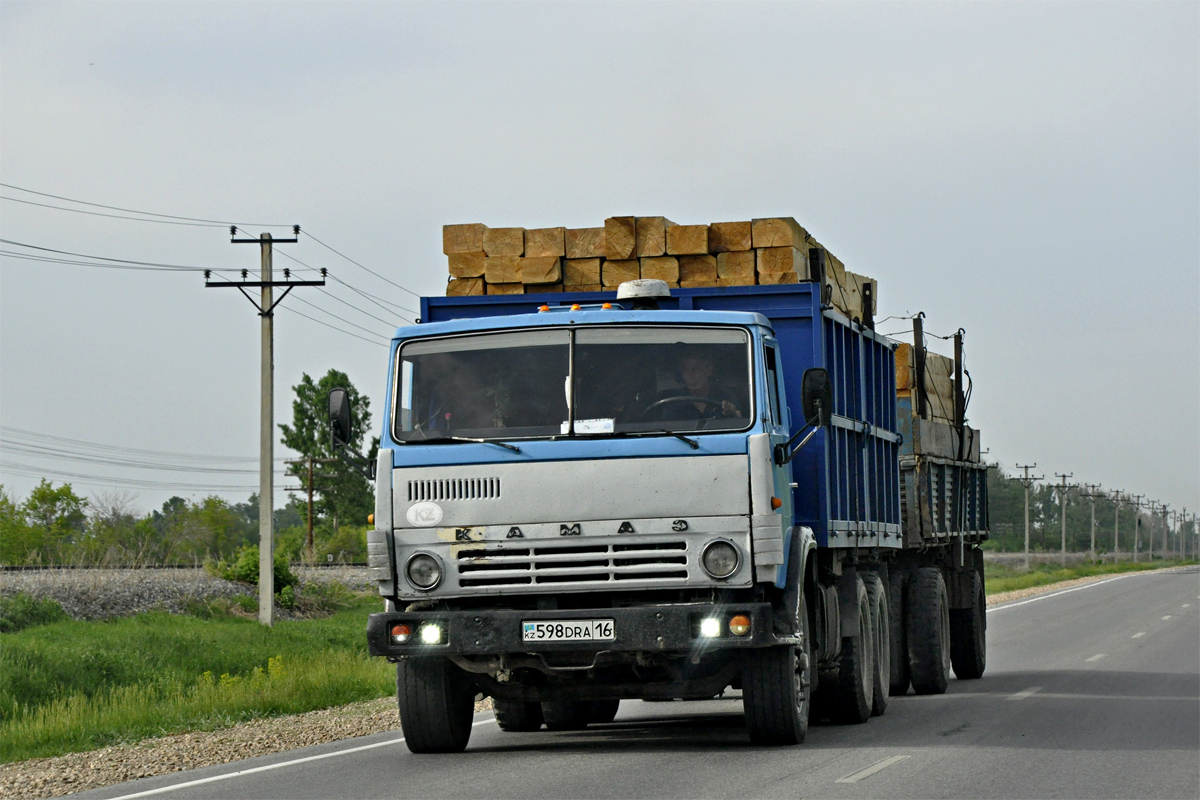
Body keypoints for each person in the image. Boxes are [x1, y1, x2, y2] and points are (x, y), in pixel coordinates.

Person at [652, 350, 743, 420]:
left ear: (709, 370)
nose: (690, 374)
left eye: (696, 368)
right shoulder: (671, 400)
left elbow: (741, 421)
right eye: (685, 369)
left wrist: (731, 412)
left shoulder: (724, 396)